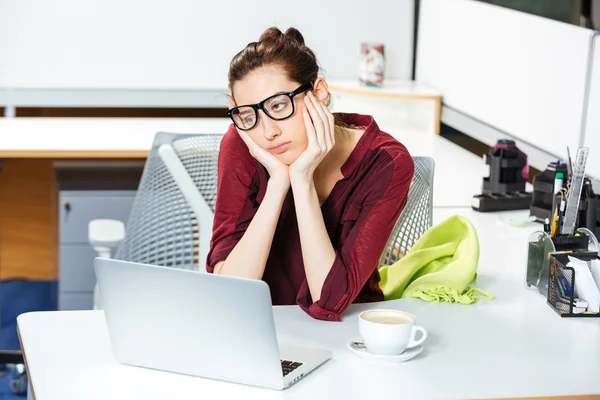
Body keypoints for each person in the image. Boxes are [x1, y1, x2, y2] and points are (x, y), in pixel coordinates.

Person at [206, 27, 415, 321]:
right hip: (261, 325)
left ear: (318, 93)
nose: (268, 132)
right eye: (250, 115)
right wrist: (278, 181)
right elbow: (230, 292)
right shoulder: (243, 143)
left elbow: (330, 301)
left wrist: (302, 180)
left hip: (348, 329)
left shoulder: (386, 162)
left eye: (279, 105)